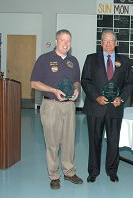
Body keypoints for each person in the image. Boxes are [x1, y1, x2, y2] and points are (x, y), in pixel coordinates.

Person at [30, 29, 83, 189]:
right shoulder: (44, 59)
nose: (66, 44)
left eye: (68, 41)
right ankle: (54, 175)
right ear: (56, 41)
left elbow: (77, 82)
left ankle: (69, 172)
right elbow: (33, 83)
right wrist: (53, 90)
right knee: (52, 142)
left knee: (69, 141)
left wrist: (76, 90)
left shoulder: (73, 61)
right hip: (51, 105)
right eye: (62, 40)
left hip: (68, 106)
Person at [81, 30, 133, 183]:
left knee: (113, 141)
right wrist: (96, 97)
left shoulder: (125, 61)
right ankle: (93, 171)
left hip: (115, 108)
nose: (108, 43)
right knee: (94, 140)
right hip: (95, 107)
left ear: (116, 43)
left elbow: (129, 83)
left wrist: (122, 98)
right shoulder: (91, 59)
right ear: (101, 43)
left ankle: (112, 171)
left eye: (112, 40)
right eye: (105, 40)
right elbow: (85, 81)